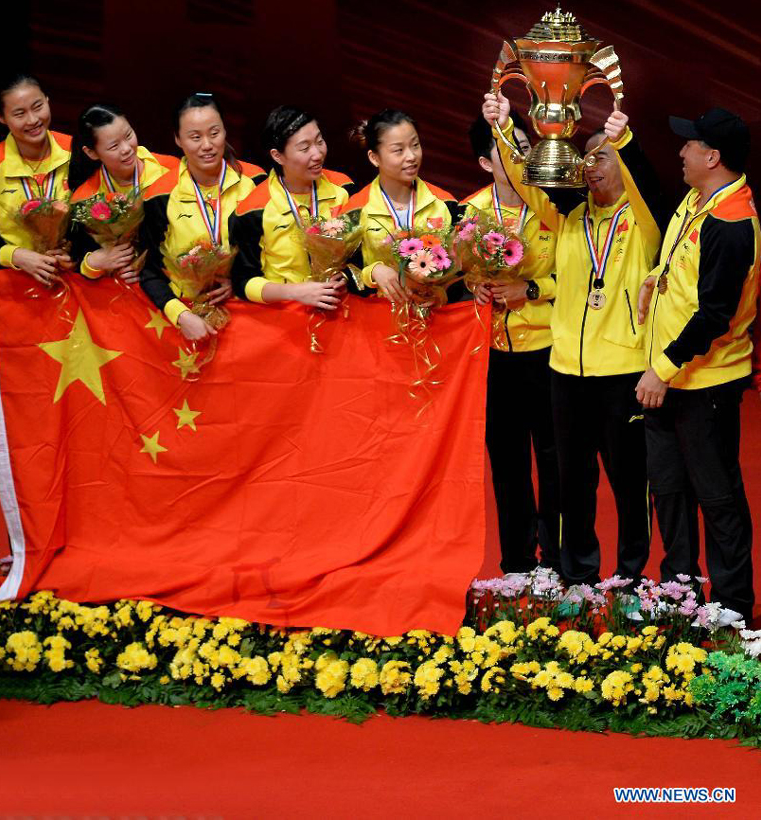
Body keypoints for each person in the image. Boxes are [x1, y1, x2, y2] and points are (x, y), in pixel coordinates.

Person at [482, 91, 664, 593]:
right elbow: (525, 180)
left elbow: (648, 184)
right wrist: (500, 127)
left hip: (622, 371)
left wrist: (623, 139)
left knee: (631, 482)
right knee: (571, 482)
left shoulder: (642, 220)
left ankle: (630, 576)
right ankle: (577, 574)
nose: (591, 166)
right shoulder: (566, 216)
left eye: (601, 156)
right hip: (565, 370)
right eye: (585, 158)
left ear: (621, 162)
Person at [636, 108, 760, 625]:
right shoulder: (697, 199)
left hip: (704, 383)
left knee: (718, 497)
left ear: (713, 157)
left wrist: (661, 369)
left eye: (689, 145)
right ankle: (678, 597)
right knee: (668, 491)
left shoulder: (732, 223)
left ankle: (732, 611)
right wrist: (653, 276)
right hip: (669, 379)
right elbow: (683, 271)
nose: (681, 152)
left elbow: (714, 315)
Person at [465, 114, 560, 574]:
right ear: (486, 162)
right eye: (506, 148)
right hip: (493, 356)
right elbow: (450, 274)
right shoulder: (467, 215)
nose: (519, 155)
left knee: (555, 460)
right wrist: (473, 287)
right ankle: (518, 566)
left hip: (549, 351)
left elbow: (580, 278)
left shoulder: (555, 207)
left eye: (523, 144)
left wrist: (533, 288)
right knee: (507, 466)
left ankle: (560, 563)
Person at [137, 93, 265, 341]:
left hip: (251, 318)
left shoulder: (256, 181)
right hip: (187, 321)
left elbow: (272, 252)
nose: (207, 145)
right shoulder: (159, 196)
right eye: (195, 137)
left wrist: (240, 281)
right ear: (177, 139)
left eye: (214, 133)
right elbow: (149, 270)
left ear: (225, 132)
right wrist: (181, 315)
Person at [229, 105, 357, 309]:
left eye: (320, 141)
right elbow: (242, 281)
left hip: (337, 311)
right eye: (305, 148)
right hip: (282, 316)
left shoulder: (344, 189)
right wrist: (295, 292)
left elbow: (358, 257)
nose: (317, 154)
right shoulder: (252, 210)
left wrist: (346, 277)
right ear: (278, 156)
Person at [339, 109, 458, 305]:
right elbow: (340, 271)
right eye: (398, 150)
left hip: (434, 320)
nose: (411, 156)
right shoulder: (356, 209)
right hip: (376, 321)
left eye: (415, 145)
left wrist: (443, 294)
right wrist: (373, 272)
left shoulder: (445, 203)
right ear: (374, 157)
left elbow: (462, 271)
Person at [0, 74, 73, 283]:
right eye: (19, 113)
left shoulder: (77, 154)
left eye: (38, 107)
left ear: (48, 101)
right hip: (12, 286)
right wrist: (16, 255)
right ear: (1, 117)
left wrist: (76, 253)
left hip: (74, 280)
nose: (33, 120)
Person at [68, 103, 180, 282]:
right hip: (112, 288)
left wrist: (148, 267)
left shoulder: (172, 171)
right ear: (91, 152)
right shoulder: (84, 199)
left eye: (129, 135)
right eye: (114, 146)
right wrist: (94, 263)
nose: (126, 148)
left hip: (166, 283)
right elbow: (76, 255)